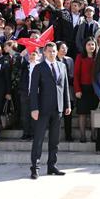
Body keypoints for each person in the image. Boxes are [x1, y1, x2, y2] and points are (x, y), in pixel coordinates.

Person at [29, 43, 71, 179]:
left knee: (54, 140)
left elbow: (64, 87)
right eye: (49, 51)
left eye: (54, 51)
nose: (52, 53)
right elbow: (33, 90)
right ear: (44, 53)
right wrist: (34, 108)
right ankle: (35, 168)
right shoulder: (39, 68)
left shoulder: (62, 66)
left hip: (58, 109)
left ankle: (52, 166)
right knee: (39, 139)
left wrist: (67, 105)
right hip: (42, 109)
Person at [72, 37, 97, 142]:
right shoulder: (80, 57)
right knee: (82, 113)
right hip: (83, 88)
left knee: (93, 113)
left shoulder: (98, 57)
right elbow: (76, 75)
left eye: (92, 44)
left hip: (95, 89)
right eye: (88, 44)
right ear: (85, 46)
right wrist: (77, 89)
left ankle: (93, 135)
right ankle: (82, 136)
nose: (91, 47)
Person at [55, 41, 74, 142]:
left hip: (68, 91)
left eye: (65, 48)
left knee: (68, 115)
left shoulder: (69, 60)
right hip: (56, 92)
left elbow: (72, 75)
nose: (64, 50)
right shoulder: (52, 60)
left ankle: (68, 135)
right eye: (62, 48)